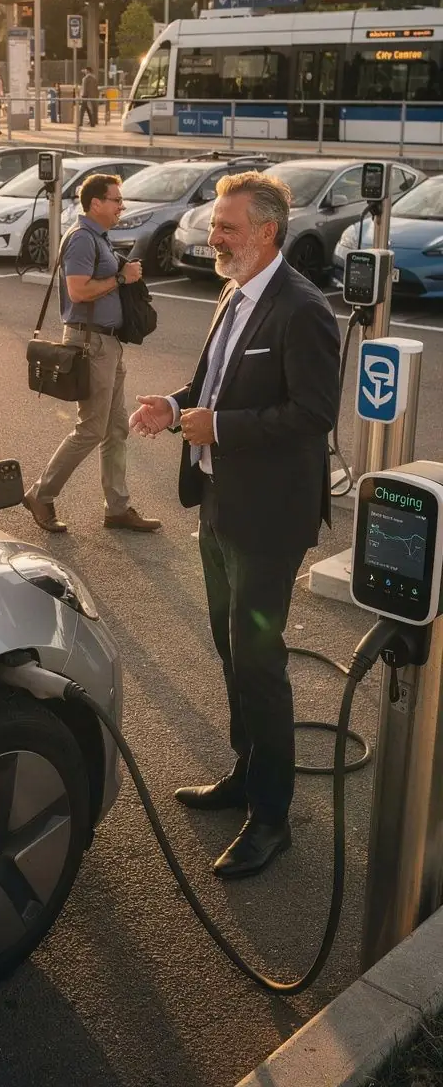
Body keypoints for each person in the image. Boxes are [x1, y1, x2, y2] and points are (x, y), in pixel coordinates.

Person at [130, 172, 340, 880]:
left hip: (268, 517)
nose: (212, 237)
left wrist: (216, 426)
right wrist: (173, 403)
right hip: (219, 504)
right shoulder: (235, 293)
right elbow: (212, 386)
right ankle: (245, 774)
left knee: (258, 661)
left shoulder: (303, 310)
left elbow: (313, 415)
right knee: (229, 649)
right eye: (215, 225)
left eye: (225, 227)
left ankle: (271, 818)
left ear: (267, 232)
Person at [23, 172, 161, 535]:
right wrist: (122, 278)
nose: (121, 206)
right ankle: (41, 493)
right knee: (91, 429)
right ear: (95, 203)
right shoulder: (83, 240)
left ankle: (117, 508)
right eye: (116, 200)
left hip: (108, 343)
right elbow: (79, 291)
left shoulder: (98, 238)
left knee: (116, 428)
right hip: (91, 343)